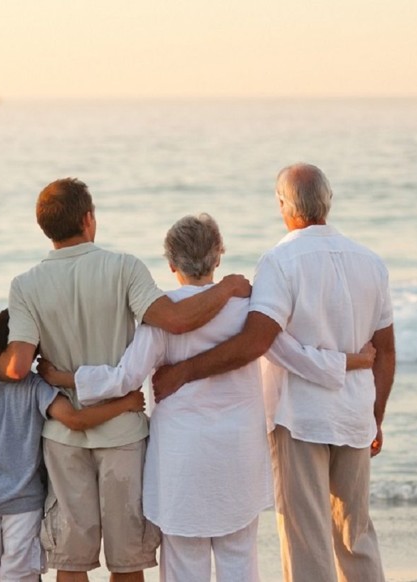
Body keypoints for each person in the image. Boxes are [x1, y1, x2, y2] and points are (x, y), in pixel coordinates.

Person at [40, 213, 375, 582]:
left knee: (185, 566)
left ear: (171, 264)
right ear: (219, 256)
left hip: (182, 457)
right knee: (239, 563)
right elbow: (293, 355)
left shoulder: (163, 316)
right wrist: (351, 361)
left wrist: (65, 378)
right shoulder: (248, 308)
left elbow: (125, 378)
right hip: (238, 454)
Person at [0, 178, 251, 582]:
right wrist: (230, 287)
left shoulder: (25, 285)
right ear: (89, 219)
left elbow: (19, 366)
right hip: (123, 435)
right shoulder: (124, 267)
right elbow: (177, 320)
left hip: (63, 439)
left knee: (71, 563)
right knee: (128, 562)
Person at [153, 164, 396, 582]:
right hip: (354, 415)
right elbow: (387, 352)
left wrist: (184, 371)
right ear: (329, 201)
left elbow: (256, 342)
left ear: (284, 206)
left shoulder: (280, 262)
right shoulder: (371, 261)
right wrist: (376, 413)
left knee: (306, 538)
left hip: (299, 418)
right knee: (355, 534)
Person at [0, 309, 148, 582]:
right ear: (33, 348)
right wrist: (124, 404)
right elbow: (75, 420)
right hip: (24, 505)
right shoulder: (38, 389)